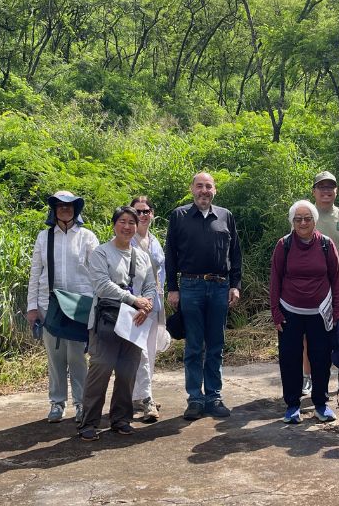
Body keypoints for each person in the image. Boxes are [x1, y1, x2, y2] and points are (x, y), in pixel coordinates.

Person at [165, 172, 242, 421]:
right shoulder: (179, 216)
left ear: (215, 190)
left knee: (216, 345)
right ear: (192, 189)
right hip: (191, 286)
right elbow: (170, 256)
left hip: (220, 287)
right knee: (194, 346)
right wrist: (173, 288)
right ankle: (195, 399)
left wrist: (235, 285)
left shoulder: (225, 216)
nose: (204, 190)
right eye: (199, 186)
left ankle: (214, 397)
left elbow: (236, 254)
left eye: (208, 186)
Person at [77, 206, 157, 441]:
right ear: (114, 224)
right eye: (122, 221)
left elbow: (151, 286)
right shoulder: (101, 253)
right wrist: (135, 300)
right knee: (100, 370)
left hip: (135, 321)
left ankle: (121, 419)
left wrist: (147, 306)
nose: (127, 226)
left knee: (127, 371)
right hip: (106, 321)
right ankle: (89, 422)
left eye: (132, 222)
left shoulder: (142, 256)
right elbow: (102, 285)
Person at [26, 191, 99, 423]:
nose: (64, 210)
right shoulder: (44, 237)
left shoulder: (87, 237)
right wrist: (32, 306)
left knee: (78, 357)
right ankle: (57, 403)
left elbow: (97, 273)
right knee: (55, 357)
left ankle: (81, 404)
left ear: (76, 210)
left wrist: (96, 306)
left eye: (69, 207)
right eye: (60, 206)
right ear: (54, 210)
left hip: (79, 306)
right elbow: (35, 273)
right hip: (50, 306)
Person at [270, 200, 339, 424]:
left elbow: (335, 278)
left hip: (320, 313)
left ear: (314, 221)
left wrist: (337, 310)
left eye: (307, 218)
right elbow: (275, 278)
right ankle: (292, 405)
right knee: (289, 359)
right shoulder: (284, 245)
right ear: (292, 221)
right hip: (289, 311)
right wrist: (276, 312)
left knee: (320, 359)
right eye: (298, 219)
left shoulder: (326, 244)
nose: (302, 222)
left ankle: (320, 404)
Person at [302, 171, 339, 398]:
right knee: (309, 336)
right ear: (314, 191)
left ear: (336, 190)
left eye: (330, 187)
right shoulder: (305, 216)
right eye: (321, 187)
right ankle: (307, 378)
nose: (326, 191)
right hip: (311, 289)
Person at [130, 195, 171, 423]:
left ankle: (140, 396)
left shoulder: (155, 241)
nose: (143, 215)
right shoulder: (127, 239)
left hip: (156, 302)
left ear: (152, 214)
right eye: (138, 211)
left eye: (146, 211)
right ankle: (146, 399)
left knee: (151, 351)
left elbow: (161, 273)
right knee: (140, 353)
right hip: (135, 304)